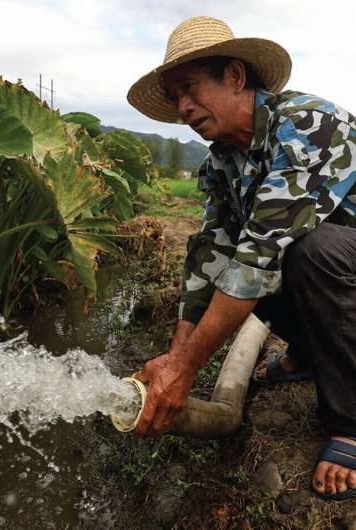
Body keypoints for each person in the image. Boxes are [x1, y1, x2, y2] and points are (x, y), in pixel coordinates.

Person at [126, 16, 356, 501]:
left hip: (341, 268)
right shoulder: (221, 161)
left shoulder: (312, 124)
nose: (183, 106)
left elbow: (261, 253)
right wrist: (175, 355)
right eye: (175, 98)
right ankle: (311, 354)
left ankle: (350, 422)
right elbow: (209, 255)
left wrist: (185, 370)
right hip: (334, 282)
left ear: (234, 75)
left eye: (189, 88)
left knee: (304, 252)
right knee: (238, 265)